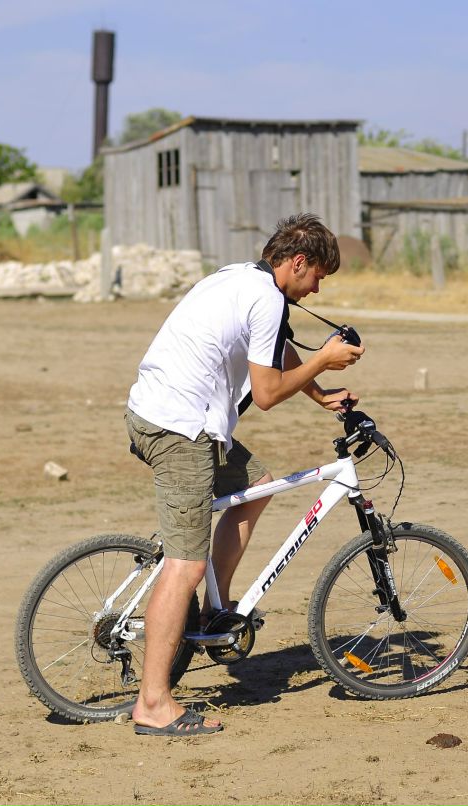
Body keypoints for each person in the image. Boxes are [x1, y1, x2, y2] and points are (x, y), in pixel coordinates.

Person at [125, 213, 364, 736]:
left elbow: (273, 347)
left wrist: (320, 394)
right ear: (298, 263)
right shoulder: (265, 297)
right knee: (184, 566)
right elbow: (268, 393)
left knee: (255, 486)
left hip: (171, 415)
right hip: (179, 428)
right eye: (318, 276)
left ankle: (214, 610)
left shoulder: (242, 277)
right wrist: (324, 360)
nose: (317, 288)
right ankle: (153, 704)